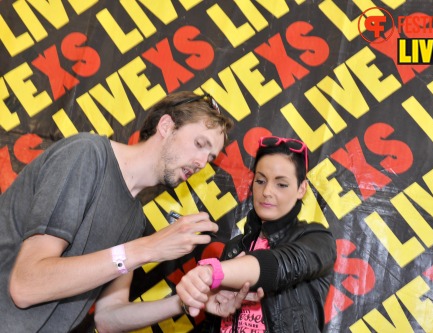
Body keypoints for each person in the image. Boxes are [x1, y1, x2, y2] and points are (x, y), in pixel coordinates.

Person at [0, 91, 247, 332]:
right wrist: (147, 248)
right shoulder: (88, 155)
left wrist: (185, 301)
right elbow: (25, 286)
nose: (202, 163)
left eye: (210, 156)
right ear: (166, 126)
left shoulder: (134, 219)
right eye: (199, 144)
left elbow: (108, 317)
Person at [176, 136, 337, 333]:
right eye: (260, 181)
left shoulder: (318, 239)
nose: (267, 191)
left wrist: (211, 272)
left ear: (301, 189)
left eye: (281, 184)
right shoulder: (236, 247)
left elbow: (279, 266)